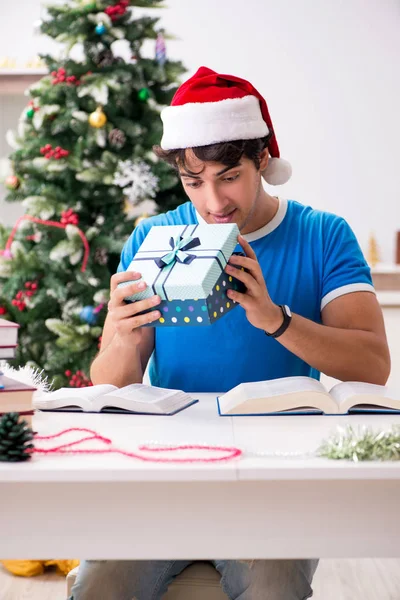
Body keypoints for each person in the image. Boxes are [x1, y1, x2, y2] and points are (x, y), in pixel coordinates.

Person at [72, 66, 390, 600]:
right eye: (194, 182)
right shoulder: (153, 237)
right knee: (100, 584)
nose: (213, 202)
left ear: (261, 159)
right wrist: (123, 337)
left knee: (272, 586)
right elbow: (109, 382)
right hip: (166, 468)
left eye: (228, 176)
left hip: (276, 477)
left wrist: (276, 320)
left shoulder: (322, 234)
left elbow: (373, 364)